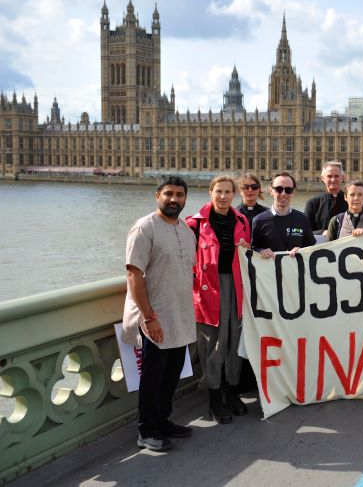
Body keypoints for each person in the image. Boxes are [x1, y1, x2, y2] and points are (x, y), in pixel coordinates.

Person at [121, 176, 197, 452]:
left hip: (180, 315)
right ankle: (147, 429)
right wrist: (149, 317)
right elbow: (134, 274)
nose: (174, 199)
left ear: (185, 199)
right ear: (157, 196)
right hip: (155, 317)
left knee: (171, 374)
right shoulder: (144, 228)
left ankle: (163, 421)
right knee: (152, 377)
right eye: (168, 194)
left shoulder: (186, 231)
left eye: (179, 194)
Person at [186, 176, 250, 424]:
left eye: (227, 192)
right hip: (208, 290)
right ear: (210, 192)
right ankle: (214, 398)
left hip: (236, 286)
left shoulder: (242, 220)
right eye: (218, 192)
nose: (223, 196)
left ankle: (231, 392)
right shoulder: (194, 223)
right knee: (212, 345)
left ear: (234, 194)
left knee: (235, 341)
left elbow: (247, 254)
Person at [252, 172, 316, 256]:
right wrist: (260, 251)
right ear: (271, 190)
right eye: (279, 189)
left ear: (293, 192)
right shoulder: (259, 220)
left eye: (288, 190)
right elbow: (252, 248)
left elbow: (311, 248)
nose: (283, 193)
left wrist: (302, 251)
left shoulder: (303, 219)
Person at [305, 161, 348, 236]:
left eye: (336, 176)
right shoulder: (313, 203)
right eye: (329, 176)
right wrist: (322, 232)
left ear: (342, 178)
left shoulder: (351, 201)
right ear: (323, 178)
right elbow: (305, 231)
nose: (333, 179)